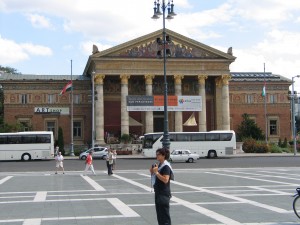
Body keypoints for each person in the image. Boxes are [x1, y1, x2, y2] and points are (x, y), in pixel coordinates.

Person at [150, 147, 174, 225]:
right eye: (156, 154)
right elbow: (156, 176)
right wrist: (152, 172)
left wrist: (156, 172)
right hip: (158, 192)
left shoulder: (166, 166)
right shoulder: (160, 165)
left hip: (163, 193)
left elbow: (165, 180)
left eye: (158, 154)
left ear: (164, 155)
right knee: (160, 215)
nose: (156, 156)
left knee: (164, 215)